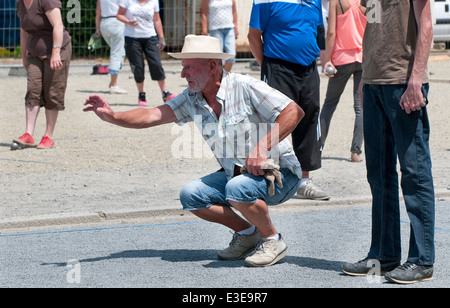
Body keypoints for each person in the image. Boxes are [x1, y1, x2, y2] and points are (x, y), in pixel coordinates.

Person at [84, 35, 305, 267]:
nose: (182, 74)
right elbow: (151, 115)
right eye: (182, 67)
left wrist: (262, 148)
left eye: (188, 67)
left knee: (236, 187)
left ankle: (272, 239)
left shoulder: (245, 86)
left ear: (211, 66)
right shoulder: (191, 98)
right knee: (191, 195)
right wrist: (112, 116)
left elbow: (293, 111)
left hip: (281, 174)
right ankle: (248, 233)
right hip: (238, 176)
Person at [341, 0, 435, 284]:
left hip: (403, 83)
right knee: (379, 175)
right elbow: (375, 28)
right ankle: (384, 254)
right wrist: (364, 78)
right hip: (373, 83)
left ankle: (422, 260)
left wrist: (416, 80)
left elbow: (426, 26)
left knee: (414, 173)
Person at [248, 0, 330, 200]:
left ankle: (303, 181)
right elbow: (253, 37)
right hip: (278, 68)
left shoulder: (315, 1)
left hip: (309, 68)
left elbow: (319, 34)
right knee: (275, 123)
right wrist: (267, 66)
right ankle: (272, 179)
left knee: (309, 120)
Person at [14, 0, 71, 149]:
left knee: (53, 92)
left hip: (57, 49)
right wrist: (24, 57)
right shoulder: (20, 2)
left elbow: (58, 25)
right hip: (34, 52)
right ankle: (28, 134)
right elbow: (24, 30)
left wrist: (56, 53)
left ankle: (48, 136)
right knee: (33, 90)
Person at [319, 0, 366, 163]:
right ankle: (355, 152)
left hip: (341, 59)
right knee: (360, 107)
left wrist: (328, 60)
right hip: (363, 58)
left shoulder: (336, 2)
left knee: (329, 105)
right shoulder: (367, 2)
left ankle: (317, 148)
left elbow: (331, 33)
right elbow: (374, 28)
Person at [116, 0, 176, 106]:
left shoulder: (154, 1)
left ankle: (165, 92)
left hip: (150, 37)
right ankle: (141, 94)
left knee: (156, 64)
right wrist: (129, 22)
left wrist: (161, 37)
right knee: (138, 67)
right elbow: (119, 15)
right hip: (132, 38)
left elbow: (157, 20)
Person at [95, 0, 127, 94]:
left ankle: (112, 81)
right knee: (116, 54)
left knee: (120, 52)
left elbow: (98, 13)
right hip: (117, 22)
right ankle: (114, 85)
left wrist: (97, 29)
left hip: (104, 24)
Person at [201, 0, 239, 72]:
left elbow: (234, 12)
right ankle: (217, 78)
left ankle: (223, 76)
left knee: (232, 56)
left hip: (229, 29)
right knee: (218, 56)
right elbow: (204, 14)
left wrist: (235, 27)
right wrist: (204, 30)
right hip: (215, 30)